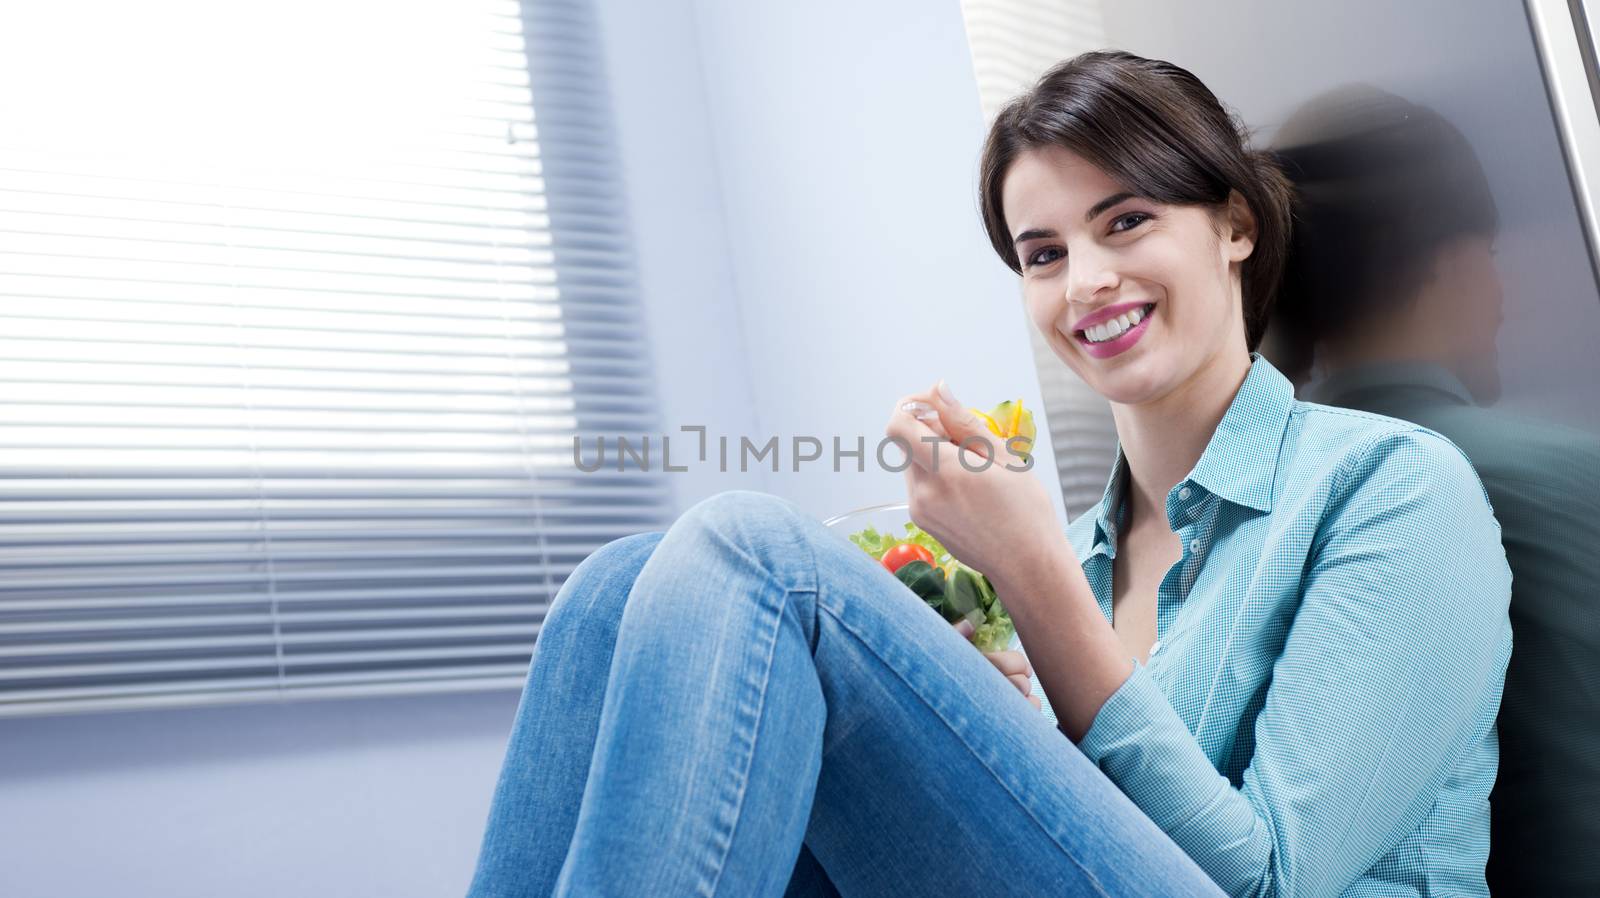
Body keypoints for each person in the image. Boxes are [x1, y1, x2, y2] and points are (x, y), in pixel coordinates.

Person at [467, 50, 1512, 897]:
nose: (1086, 279)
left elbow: (1270, 880)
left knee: (757, 551)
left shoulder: (1396, 488)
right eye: (1043, 253)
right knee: (618, 584)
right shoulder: (1084, 547)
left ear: (1235, 225)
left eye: (1126, 220)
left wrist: (1034, 581)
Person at [1267, 85, 1600, 895]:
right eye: (1488, 256)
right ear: (1449, 262)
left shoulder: (1260, 509)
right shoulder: (1562, 479)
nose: (1502, 297)